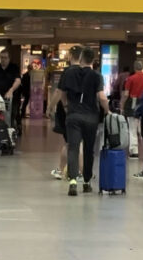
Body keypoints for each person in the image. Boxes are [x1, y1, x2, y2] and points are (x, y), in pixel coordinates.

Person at [58, 47, 110, 196]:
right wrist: (107, 111)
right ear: (93, 60)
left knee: (73, 148)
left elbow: (62, 94)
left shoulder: (69, 73)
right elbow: (102, 97)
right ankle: (86, 182)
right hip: (91, 118)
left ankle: (73, 182)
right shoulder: (96, 76)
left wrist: (66, 107)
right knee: (88, 150)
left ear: (80, 58)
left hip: (73, 116)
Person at [46, 45, 82, 180]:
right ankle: (81, 172)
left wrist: (50, 107)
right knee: (79, 142)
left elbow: (59, 92)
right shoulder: (86, 72)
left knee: (69, 142)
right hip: (83, 110)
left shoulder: (68, 72)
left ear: (70, 56)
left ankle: (62, 170)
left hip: (68, 111)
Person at [0, 50, 22, 131]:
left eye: (5, 58)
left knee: (11, 117)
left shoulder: (14, 67)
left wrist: (11, 90)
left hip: (11, 98)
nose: (3, 59)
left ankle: (10, 132)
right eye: (1, 57)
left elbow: (18, 80)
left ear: (9, 58)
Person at [123, 60, 143, 158]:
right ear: (142, 67)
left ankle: (134, 151)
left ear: (134, 68)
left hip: (133, 104)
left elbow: (126, 94)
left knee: (132, 128)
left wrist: (122, 104)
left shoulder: (130, 79)